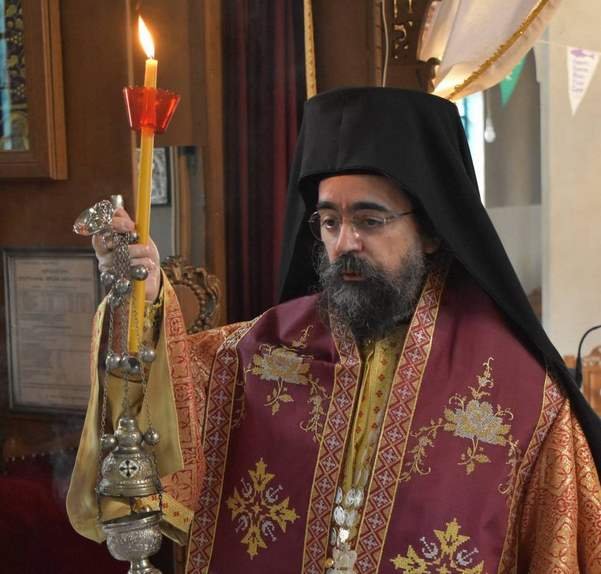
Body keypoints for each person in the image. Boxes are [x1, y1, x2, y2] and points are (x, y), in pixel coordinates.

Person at [68, 87, 601, 574]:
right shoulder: (259, 354)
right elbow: (162, 396)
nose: (345, 243)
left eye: (369, 220)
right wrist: (139, 297)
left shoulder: (524, 397)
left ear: (432, 231)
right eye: (329, 221)